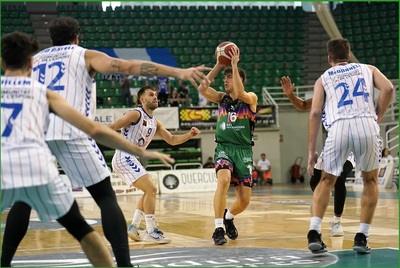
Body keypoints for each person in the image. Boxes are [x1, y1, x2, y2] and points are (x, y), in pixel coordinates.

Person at [1, 16, 210, 267]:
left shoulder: (32, 61)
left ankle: (5, 261)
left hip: (36, 133)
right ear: (76, 37)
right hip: (73, 129)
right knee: (105, 198)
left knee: (23, 200)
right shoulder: (85, 55)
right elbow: (128, 67)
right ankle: (124, 263)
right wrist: (179, 72)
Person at [306, 38, 393, 254]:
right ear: (349, 54)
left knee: (326, 180)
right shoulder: (368, 68)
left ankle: (314, 231)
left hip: (339, 127)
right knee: (370, 180)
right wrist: (377, 116)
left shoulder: (324, 78)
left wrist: (311, 151)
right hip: (366, 123)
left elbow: (315, 112)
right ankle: (362, 237)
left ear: (329, 59)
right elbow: (389, 88)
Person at [110, 85, 201, 244]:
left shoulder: (155, 122)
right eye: (151, 95)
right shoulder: (135, 113)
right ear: (142, 99)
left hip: (132, 158)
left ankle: (135, 226)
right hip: (124, 155)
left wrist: (190, 134)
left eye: (156, 95)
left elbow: (172, 140)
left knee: (148, 191)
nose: (155, 97)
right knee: (152, 188)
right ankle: (151, 230)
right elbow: (113, 127)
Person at [281, 75, 356, 237]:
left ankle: (336, 221)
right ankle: (322, 199)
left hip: (352, 141)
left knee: (340, 177)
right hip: (334, 142)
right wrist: (290, 95)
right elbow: (302, 105)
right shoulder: (323, 96)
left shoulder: (351, 95)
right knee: (315, 179)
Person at [197, 47, 258, 245]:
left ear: (240, 79)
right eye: (225, 78)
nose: (226, 80)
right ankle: (217, 228)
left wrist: (234, 64)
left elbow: (240, 92)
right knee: (223, 181)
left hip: (244, 151)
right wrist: (219, 64)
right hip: (224, 147)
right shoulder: (221, 98)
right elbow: (202, 89)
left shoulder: (251, 98)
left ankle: (228, 217)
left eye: (230, 77)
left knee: (245, 201)